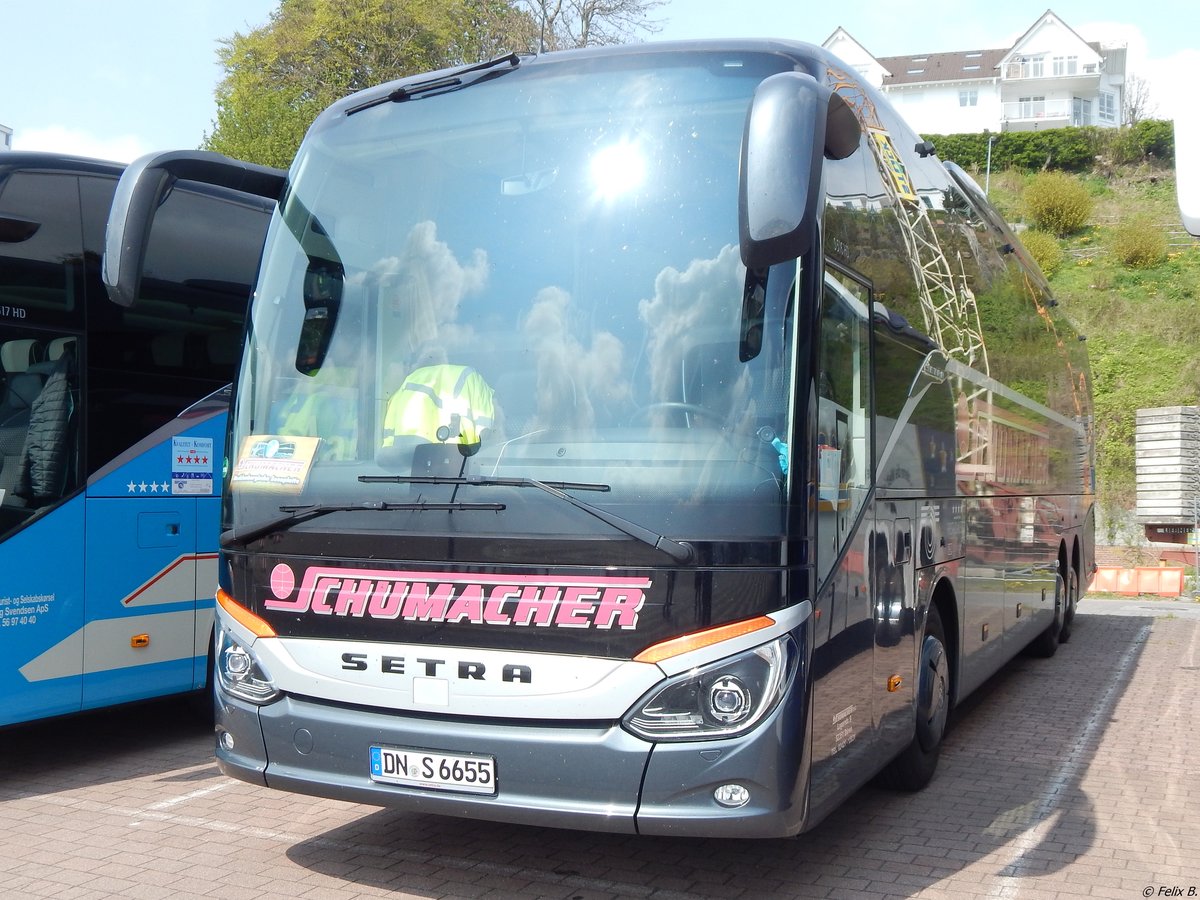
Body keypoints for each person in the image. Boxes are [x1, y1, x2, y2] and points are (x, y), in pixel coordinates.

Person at [381, 363, 495, 455]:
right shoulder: (471, 378)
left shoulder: (402, 391)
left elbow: (388, 456)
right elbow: (485, 438)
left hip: (407, 476)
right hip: (460, 473)